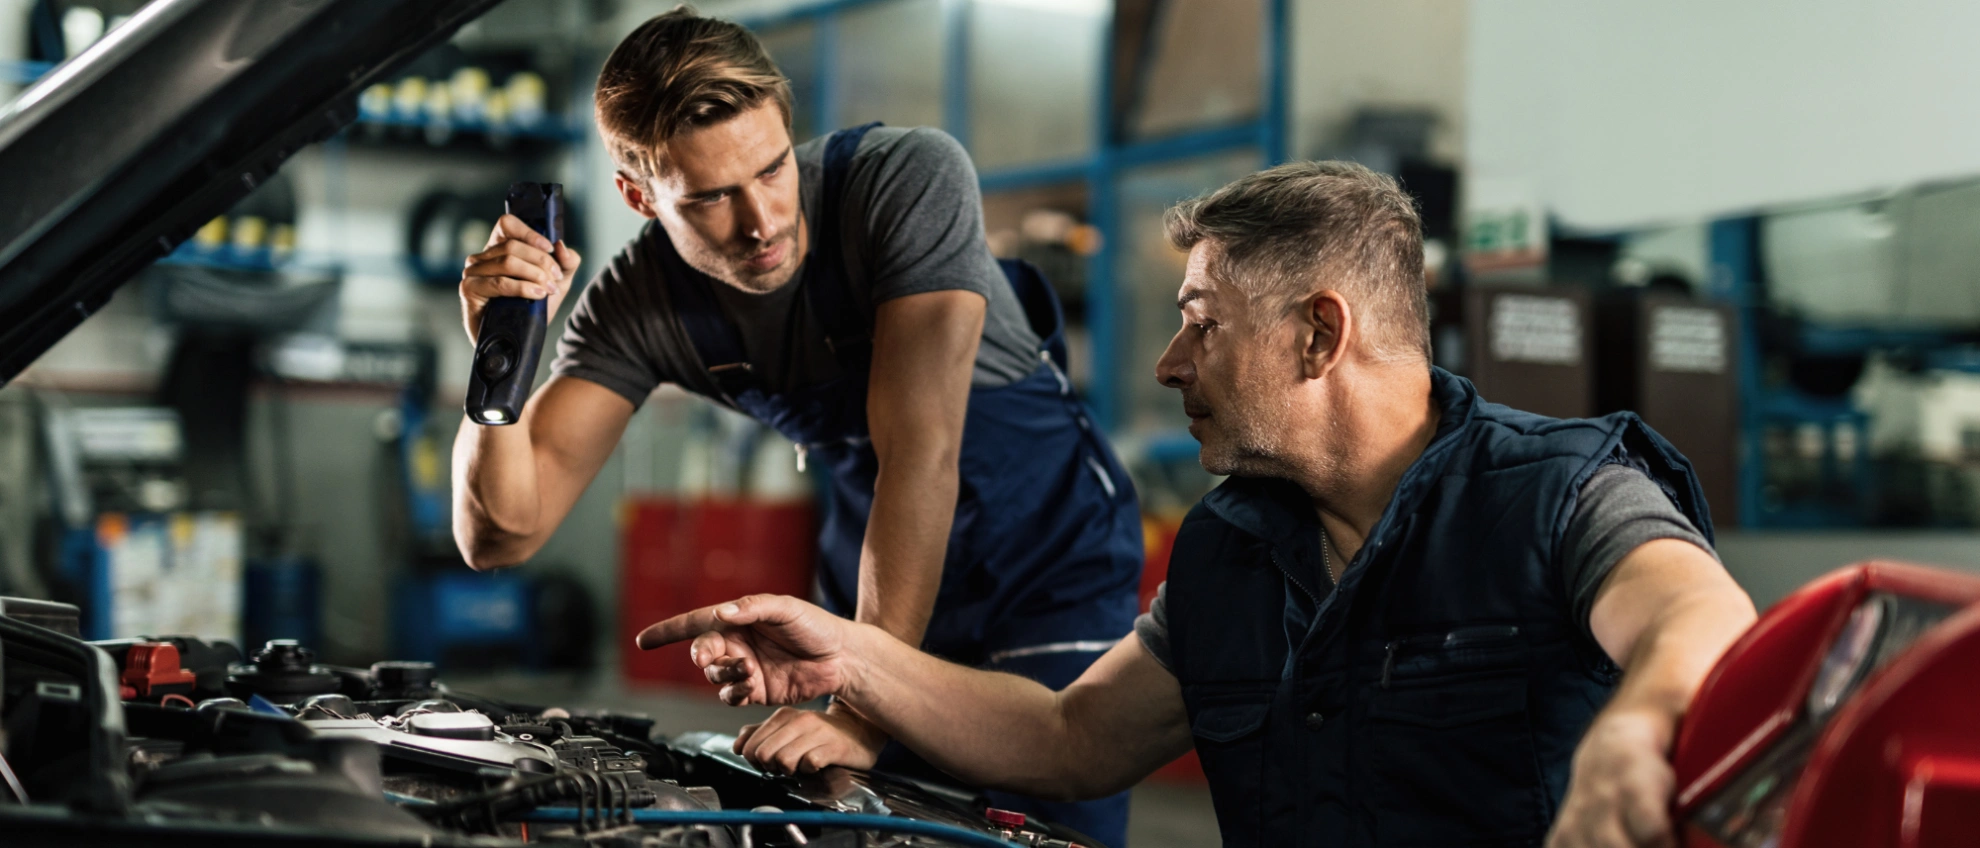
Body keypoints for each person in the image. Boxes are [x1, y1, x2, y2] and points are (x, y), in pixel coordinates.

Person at [638, 162, 1760, 848]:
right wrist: (847, 650)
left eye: (1203, 321)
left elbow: (1696, 618)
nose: (1172, 362)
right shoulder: (1232, 549)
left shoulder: (1554, 491)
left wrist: (1639, 729)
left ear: (1319, 333)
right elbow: (1068, 735)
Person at [448, 8, 1142, 844]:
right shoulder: (638, 305)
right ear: (638, 196)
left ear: (788, 128)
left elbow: (920, 453)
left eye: (773, 169)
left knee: (1036, 821)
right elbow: (501, 536)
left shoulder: (903, 182)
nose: (762, 220)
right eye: (709, 198)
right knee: (867, 826)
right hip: (875, 575)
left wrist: (860, 706)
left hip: (1046, 558)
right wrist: (498, 357)